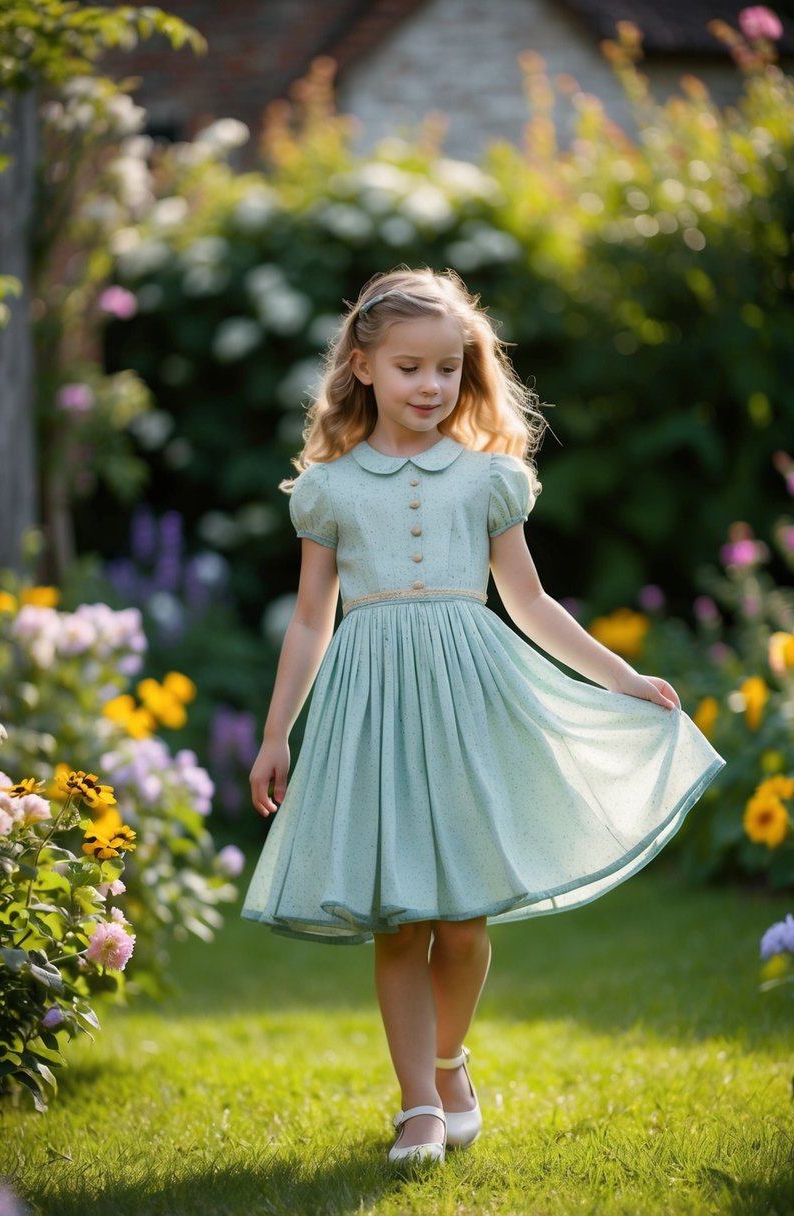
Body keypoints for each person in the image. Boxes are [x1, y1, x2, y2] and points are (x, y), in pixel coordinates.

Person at [242, 267, 724, 1167]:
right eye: (409, 368)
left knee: (462, 926)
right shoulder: (330, 491)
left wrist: (621, 676)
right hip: (371, 711)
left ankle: (448, 1059)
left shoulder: (489, 480)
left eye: (448, 371)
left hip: (468, 706)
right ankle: (418, 1106)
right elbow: (311, 619)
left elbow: (531, 602)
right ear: (362, 365)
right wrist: (277, 733)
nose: (429, 388)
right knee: (399, 919)